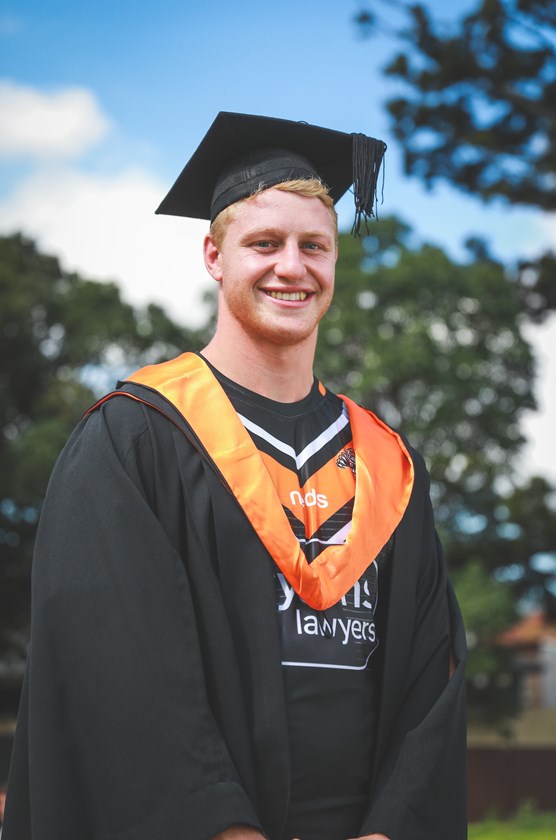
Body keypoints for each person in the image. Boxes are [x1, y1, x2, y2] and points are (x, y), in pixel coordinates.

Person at [3, 112, 467, 840]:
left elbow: (430, 682)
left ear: (336, 262)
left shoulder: (387, 465)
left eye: (314, 245)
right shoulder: (136, 438)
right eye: (264, 243)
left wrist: (390, 830)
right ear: (214, 256)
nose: (293, 266)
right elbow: (120, 675)